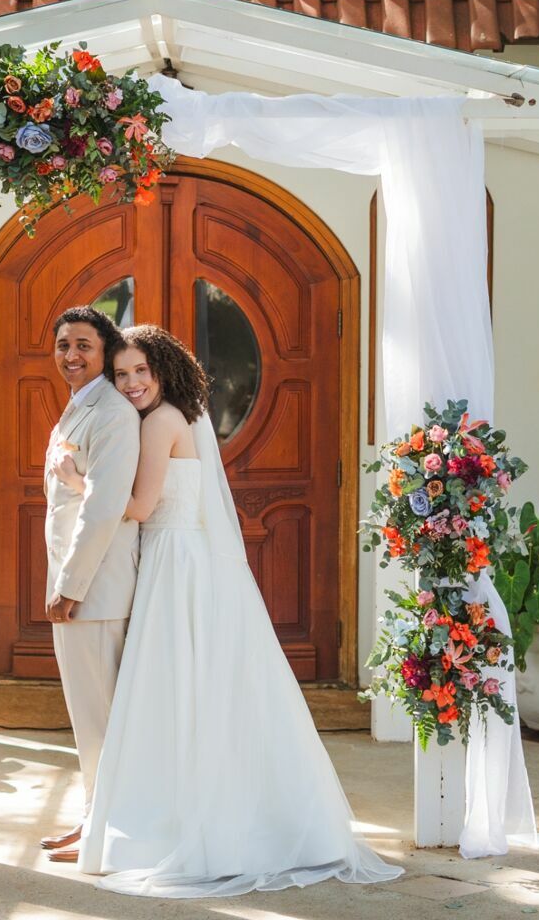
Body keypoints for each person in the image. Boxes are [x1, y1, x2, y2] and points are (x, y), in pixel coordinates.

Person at [53, 325, 402, 897]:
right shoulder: (181, 416)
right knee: (195, 687)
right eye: (122, 374)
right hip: (182, 557)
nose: (132, 382)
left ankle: (181, 822)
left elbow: (139, 506)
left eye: (141, 371)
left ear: (164, 370)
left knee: (181, 687)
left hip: (174, 561)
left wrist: (78, 478)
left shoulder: (162, 421)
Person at [36, 306, 143, 863]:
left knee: (99, 719)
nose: (71, 355)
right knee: (89, 716)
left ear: (104, 352)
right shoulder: (80, 407)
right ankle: (94, 816)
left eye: (83, 345)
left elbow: (104, 508)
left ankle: (103, 827)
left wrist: (72, 585)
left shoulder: (112, 414)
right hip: (78, 584)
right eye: (62, 345)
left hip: (95, 593)